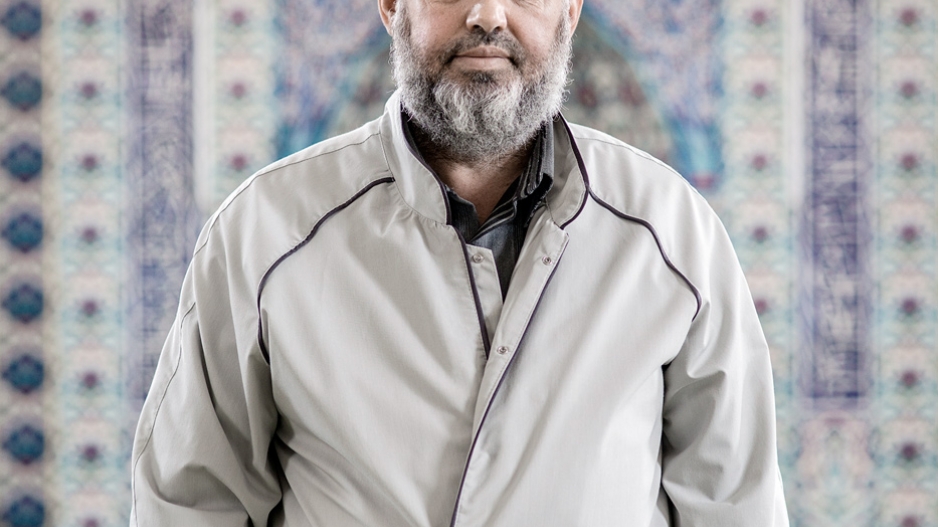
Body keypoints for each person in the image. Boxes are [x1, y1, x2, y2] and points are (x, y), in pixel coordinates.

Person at [130, 0, 790, 525]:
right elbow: (190, 506)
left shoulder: (673, 236)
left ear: (571, 9)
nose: (488, 15)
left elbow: (735, 507)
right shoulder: (264, 235)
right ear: (392, 6)